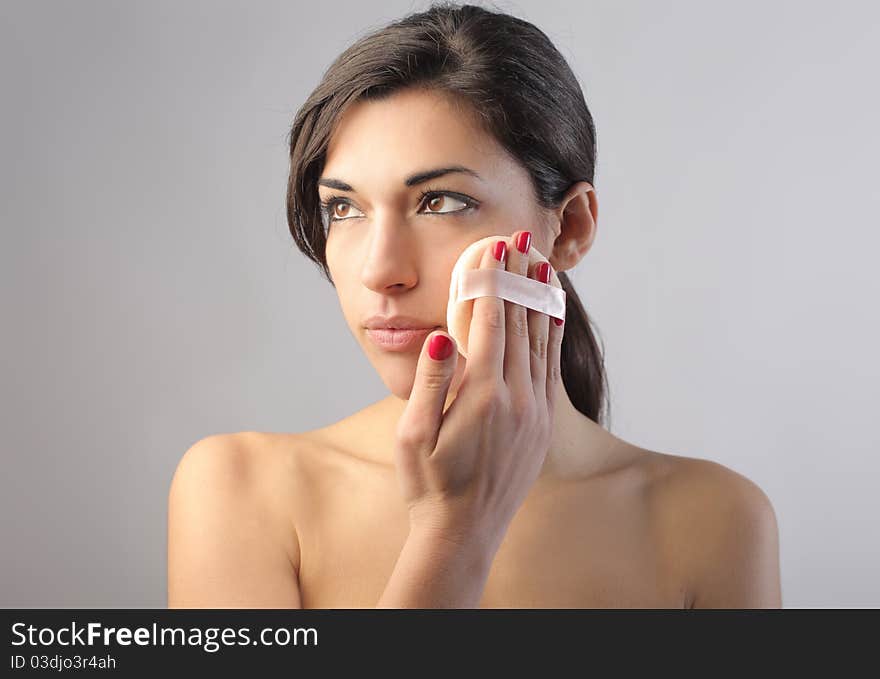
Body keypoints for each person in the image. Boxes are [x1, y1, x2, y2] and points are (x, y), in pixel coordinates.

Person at [167, 2, 781, 608]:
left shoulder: (715, 521)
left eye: (441, 201)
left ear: (568, 228)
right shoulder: (242, 491)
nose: (380, 271)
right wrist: (454, 535)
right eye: (344, 208)